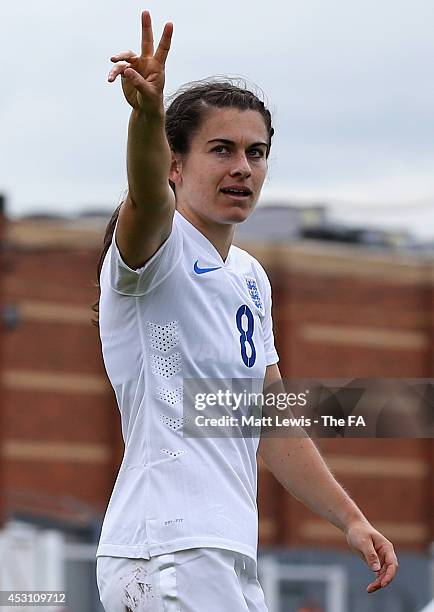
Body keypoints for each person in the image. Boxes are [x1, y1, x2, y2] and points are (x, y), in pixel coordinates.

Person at [94, 10, 398, 611]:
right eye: (222, 149)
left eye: (256, 152)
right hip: (167, 548)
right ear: (176, 163)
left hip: (223, 550)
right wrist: (147, 116)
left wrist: (351, 518)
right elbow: (148, 194)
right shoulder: (157, 248)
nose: (242, 167)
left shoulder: (251, 278)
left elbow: (276, 425)